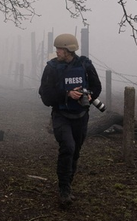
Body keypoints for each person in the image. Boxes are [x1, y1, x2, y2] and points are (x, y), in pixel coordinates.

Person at [38, 33, 102, 208]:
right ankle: (64, 189)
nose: (57, 52)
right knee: (68, 148)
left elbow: (96, 86)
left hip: (81, 116)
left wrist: (89, 95)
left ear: (69, 50)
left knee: (75, 152)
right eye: (57, 49)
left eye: (60, 49)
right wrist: (66, 94)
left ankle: (68, 183)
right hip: (61, 115)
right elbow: (45, 96)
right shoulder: (51, 68)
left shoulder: (85, 65)